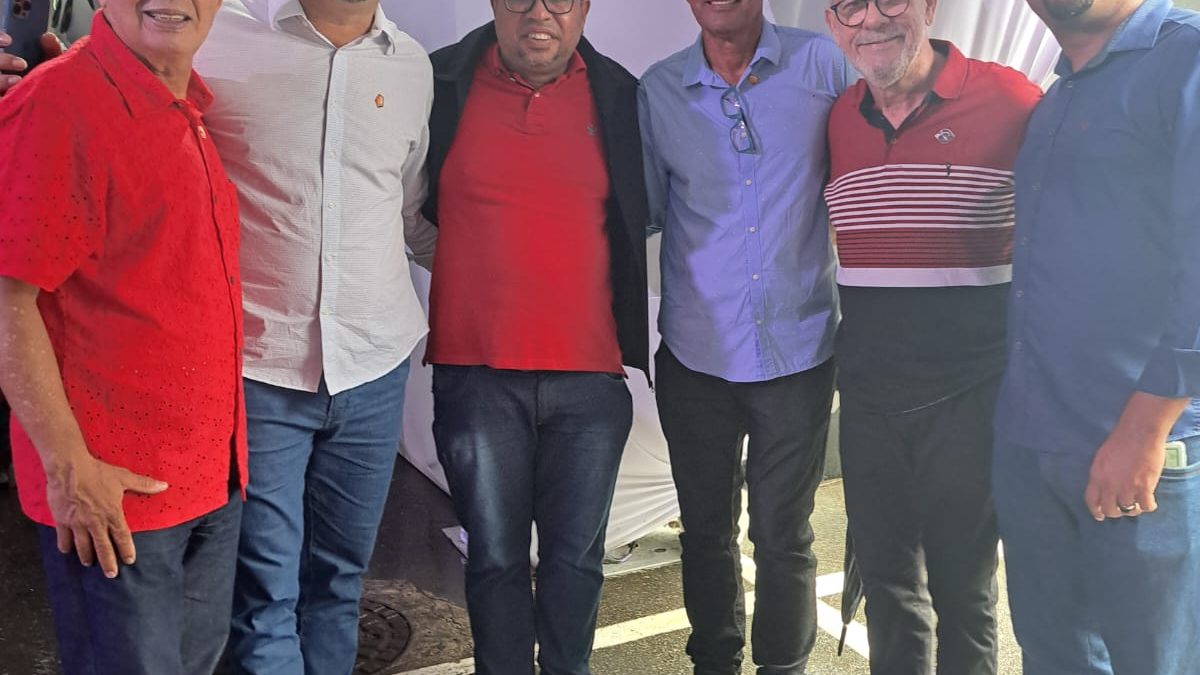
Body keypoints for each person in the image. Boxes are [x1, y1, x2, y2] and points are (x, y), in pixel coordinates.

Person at [188, 0, 435, 672]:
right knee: (263, 595)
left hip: (373, 364)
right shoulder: (219, 39)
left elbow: (407, 208)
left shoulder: (410, 65)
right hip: (258, 366)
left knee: (339, 581)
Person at [0, 0, 245, 672]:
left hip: (210, 479)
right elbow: (8, 300)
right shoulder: (59, 103)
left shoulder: (186, 101)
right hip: (114, 500)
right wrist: (69, 469)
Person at [421, 0, 650, 672]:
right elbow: (406, 204)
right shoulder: (437, 83)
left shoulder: (621, 96)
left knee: (575, 563)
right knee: (493, 559)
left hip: (589, 380)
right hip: (475, 376)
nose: (539, 13)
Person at [821, 1, 1041, 674]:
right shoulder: (838, 117)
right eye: (849, 5)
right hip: (869, 402)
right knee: (888, 589)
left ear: (929, 7)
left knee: (964, 592)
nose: (871, 19)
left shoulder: (1010, 101)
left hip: (970, 398)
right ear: (831, 22)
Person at [639, 1, 847, 673]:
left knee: (784, 535)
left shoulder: (822, 65)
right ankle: (715, 661)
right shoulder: (660, 90)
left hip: (799, 349)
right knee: (705, 531)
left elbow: (865, 166)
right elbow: (643, 212)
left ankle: (783, 666)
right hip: (695, 355)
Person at [993, 0, 1200, 674]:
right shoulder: (1056, 97)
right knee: (1055, 656)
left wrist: (1146, 428)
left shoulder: (1186, 60)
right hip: (1037, 445)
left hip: (1141, 449)